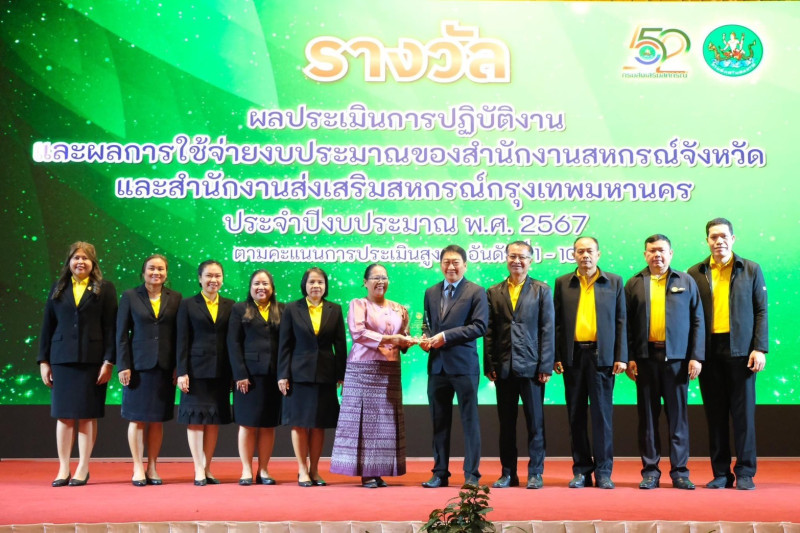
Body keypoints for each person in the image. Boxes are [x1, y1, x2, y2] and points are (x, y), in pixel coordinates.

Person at [687, 217, 768, 490]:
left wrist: (759, 347)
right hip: (709, 352)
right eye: (713, 237)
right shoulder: (695, 272)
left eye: (724, 236)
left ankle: (745, 471)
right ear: (707, 241)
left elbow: (761, 310)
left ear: (733, 239)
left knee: (743, 416)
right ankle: (721, 473)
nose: (719, 241)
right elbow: (690, 316)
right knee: (716, 415)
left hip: (742, 351)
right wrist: (694, 353)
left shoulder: (750, 269)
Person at [624, 234, 704, 490]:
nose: (657, 255)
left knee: (678, 419)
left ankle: (680, 472)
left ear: (671, 253)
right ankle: (650, 472)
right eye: (652, 251)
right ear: (645, 255)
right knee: (647, 419)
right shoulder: (634, 283)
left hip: (677, 361)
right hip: (645, 360)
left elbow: (697, 320)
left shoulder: (686, 281)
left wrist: (696, 356)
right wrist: (630, 357)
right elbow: (626, 325)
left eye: (661, 250)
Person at [38, 241, 117, 487]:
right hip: (61, 359)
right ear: (69, 261)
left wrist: (109, 361)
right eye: (76, 258)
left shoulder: (105, 288)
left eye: (85, 258)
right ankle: (63, 468)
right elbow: (47, 325)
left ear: (93, 262)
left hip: (92, 361)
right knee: (63, 416)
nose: (80, 262)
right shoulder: (58, 287)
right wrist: (44, 361)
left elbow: (111, 327)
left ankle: (83, 467)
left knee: (86, 415)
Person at [330, 264, 415, 488]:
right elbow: (358, 333)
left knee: (386, 422)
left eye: (384, 277)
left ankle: (379, 470)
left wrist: (410, 341)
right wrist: (393, 339)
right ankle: (367, 473)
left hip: (390, 370)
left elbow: (403, 336)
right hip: (363, 369)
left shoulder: (399, 308)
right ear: (365, 282)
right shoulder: (358, 304)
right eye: (375, 278)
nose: (380, 282)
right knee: (365, 422)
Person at [553, 236, 627, 489]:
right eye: (580, 251)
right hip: (573, 358)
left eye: (590, 251)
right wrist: (557, 356)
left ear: (598, 254)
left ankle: (604, 472)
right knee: (576, 416)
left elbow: (621, 321)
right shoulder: (563, 283)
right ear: (573, 255)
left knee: (602, 417)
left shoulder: (614, 281)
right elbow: (557, 323)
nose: (585, 255)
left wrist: (621, 356)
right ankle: (582, 471)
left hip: (602, 357)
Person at [484, 241, 554, 490]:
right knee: (507, 425)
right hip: (503, 367)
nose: (517, 261)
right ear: (506, 259)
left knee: (535, 423)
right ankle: (508, 473)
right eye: (512, 256)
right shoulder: (494, 291)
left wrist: (545, 365)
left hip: (532, 367)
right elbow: (489, 331)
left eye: (522, 257)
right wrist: (489, 364)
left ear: (530, 261)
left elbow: (547, 329)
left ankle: (535, 473)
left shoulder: (541, 290)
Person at [420, 244, 488, 488]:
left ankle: (471, 475)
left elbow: (480, 326)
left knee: (469, 421)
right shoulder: (430, 292)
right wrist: (425, 338)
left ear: (465, 265)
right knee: (439, 422)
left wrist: (445, 337)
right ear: (440, 265)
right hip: (437, 367)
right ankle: (440, 473)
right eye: (446, 262)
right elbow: (427, 324)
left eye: (455, 262)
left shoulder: (476, 291)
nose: (451, 266)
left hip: (464, 366)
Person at [278, 267, 347, 487]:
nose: (316, 286)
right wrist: (283, 374)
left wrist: (341, 374)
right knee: (299, 424)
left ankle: (315, 469)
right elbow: (285, 344)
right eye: (311, 282)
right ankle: (302, 469)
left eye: (320, 282)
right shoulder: (291, 308)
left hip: (325, 374)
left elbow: (340, 345)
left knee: (319, 424)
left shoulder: (334, 309)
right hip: (298, 375)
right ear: (304, 285)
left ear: (325, 286)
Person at [117, 254, 182, 486]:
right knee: (137, 419)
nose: (156, 273)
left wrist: (178, 366)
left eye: (161, 269)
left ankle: (152, 466)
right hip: (138, 367)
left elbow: (179, 335)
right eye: (152, 268)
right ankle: (137, 466)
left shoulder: (175, 298)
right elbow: (121, 335)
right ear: (143, 272)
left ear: (166, 273)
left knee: (156, 420)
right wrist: (123, 365)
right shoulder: (130, 296)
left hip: (164, 367)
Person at [176, 260, 234, 485]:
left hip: (221, 372)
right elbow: (182, 340)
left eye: (217, 276)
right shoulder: (188, 304)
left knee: (213, 420)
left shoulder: (230, 305)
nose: (213, 280)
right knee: (195, 420)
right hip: (195, 372)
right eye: (209, 276)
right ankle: (198, 468)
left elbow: (232, 342)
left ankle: (208, 467)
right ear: (200, 279)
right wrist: (182, 372)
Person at [227, 269, 284, 486]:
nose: (261, 287)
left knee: (268, 425)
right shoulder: (239, 309)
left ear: (272, 287)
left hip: (274, 376)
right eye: (257, 284)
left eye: (265, 284)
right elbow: (233, 343)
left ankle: (264, 469)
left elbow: (286, 344)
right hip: (248, 377)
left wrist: (284, 374)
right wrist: (240, 374)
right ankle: (245, 469)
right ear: (250, 288)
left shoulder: (282, 309)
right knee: (247, 424)